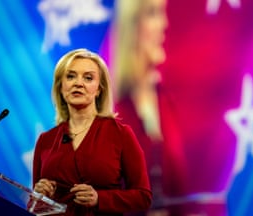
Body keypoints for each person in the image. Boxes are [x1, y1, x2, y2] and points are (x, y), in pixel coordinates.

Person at [32, 48, 152, 216]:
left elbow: (143, 196)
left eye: (88, 78)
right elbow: (35, 206)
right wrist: (39, 196)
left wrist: (100, 199)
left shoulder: (120, 134)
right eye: (70, 76)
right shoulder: (46, 140)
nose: (78, 83)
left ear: (99, 89)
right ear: (60, 86)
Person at [110, 0, 168, 214]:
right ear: (132, 26)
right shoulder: (115, 115)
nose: (164, 24)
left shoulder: (166, 102)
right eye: (153, 14)